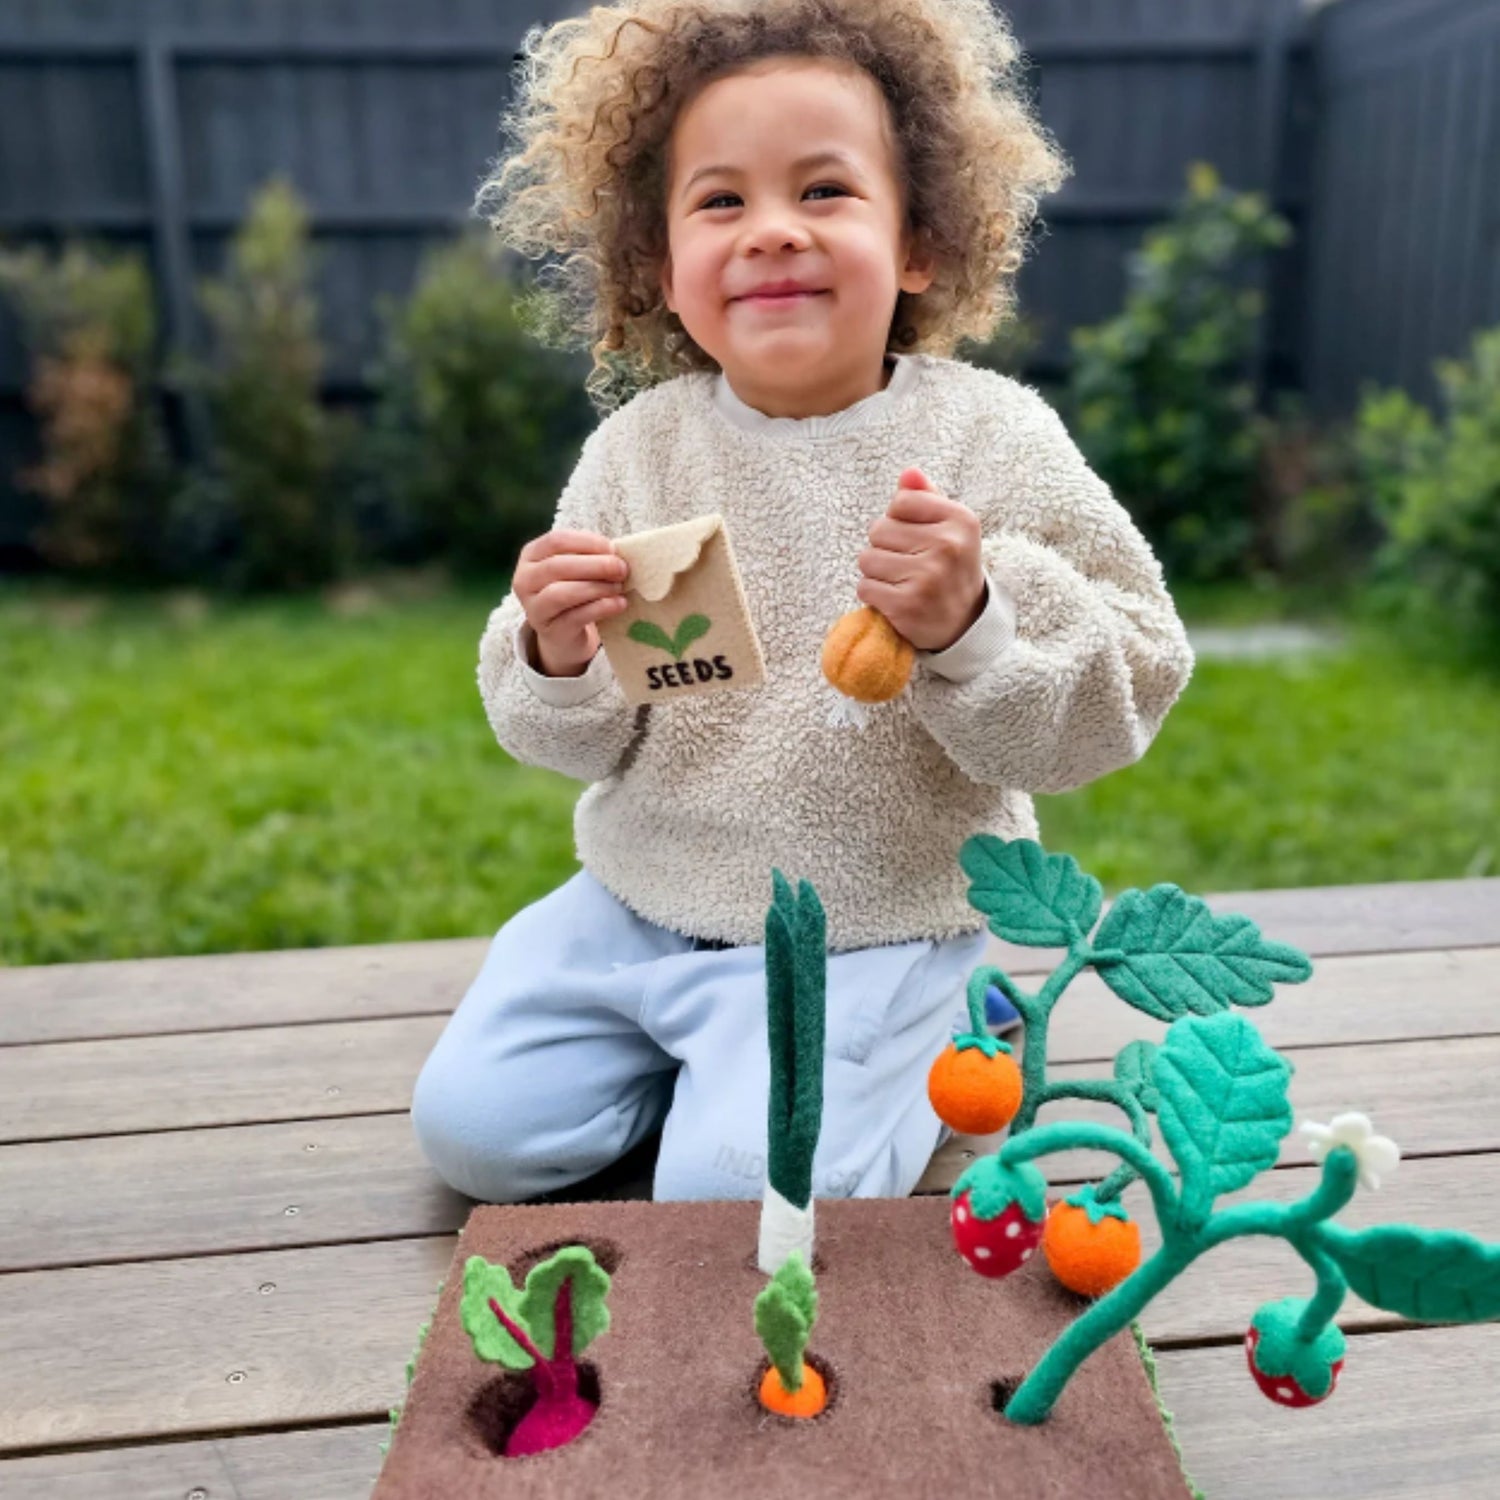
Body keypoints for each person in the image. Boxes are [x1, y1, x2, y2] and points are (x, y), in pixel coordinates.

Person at [411, 0, 1195, 1205]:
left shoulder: (990, 436)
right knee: (474, 1137)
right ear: (660, 268)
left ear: (922, 241)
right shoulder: (637, 451)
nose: (771, 231)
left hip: (874, 927)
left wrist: (974, 629)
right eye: (720, 202)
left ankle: (930, 1023)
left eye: (824, 191)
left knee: (731, 1197)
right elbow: (561, 737)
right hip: (641, 903)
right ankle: (700, 1062)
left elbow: (1135, 671)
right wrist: (555, 653)